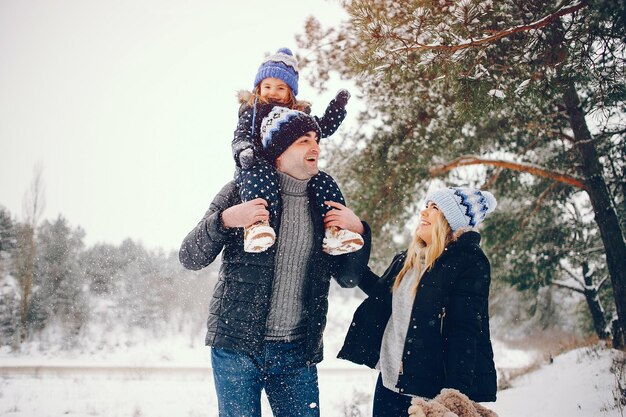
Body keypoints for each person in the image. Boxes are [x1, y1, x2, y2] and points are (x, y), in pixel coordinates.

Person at [179, 106, 372, 417]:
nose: (315, 146)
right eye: (303, 140)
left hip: (297, 352)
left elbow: (348, 278)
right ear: (279, 151)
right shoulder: (239, 192)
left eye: (316, 138)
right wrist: (227, 220)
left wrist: (360, 229)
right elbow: (190, 257)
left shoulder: (325, 203)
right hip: (238, 347)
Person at [337, 187, 498, 416]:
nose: (424, 213)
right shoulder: (409, 258)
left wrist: (452, 398)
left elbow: (464, 332)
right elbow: (381, 295)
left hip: (428, 393)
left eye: (434, 208)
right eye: (425, 206)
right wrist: (346, 253)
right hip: (390, 383)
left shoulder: (469, 262)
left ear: (451, 220)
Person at [231, 47, 364, 255]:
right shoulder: (253, 113)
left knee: (323, 181)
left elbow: (322, 128)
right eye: (267, 86)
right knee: (261, 174)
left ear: (290, 93)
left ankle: (335, 230)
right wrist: (245, 151)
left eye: (280, 88)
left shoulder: (298, 116)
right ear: (258, 88)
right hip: (254, 166)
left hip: (292, 172)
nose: (272, 92)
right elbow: (241, 136)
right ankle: (256, 225)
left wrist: (337, 108)